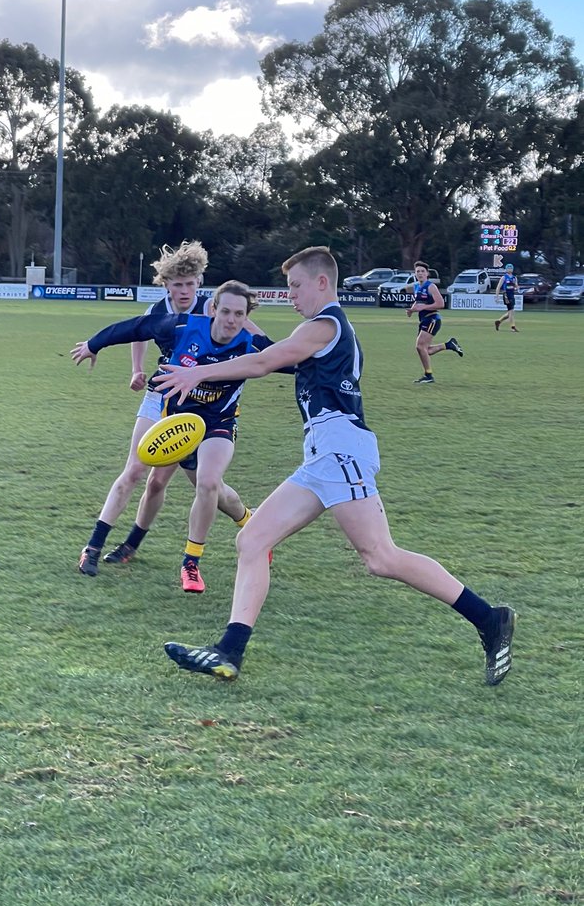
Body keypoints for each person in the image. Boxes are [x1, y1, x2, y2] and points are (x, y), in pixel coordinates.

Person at [157, 246, 515, 686]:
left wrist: (198, 374)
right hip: (325, 454)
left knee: (380, 557)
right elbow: (271, 351)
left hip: (339, 448)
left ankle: (490, 618)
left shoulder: (325, 324)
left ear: (322, 283)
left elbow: (266, 361)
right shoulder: (320, 330)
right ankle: (228, 652)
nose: (290, 295)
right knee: (253, 540)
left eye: (295, 286)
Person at [72, 280, 280, 592]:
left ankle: (192, 562)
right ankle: (249, 522)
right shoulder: (180, 327)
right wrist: (94, 344)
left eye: (239, 313)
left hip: (218, 423)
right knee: (172, 481)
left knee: (209, 484)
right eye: (226, 311)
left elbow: (292, 360)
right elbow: (135, 328)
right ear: (213, 309)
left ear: (247, 316)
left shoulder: (252, 343)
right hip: (178, 422)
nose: (232, 320)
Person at [70, 241, 237, 582]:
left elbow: (252, 343)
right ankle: (93, 546)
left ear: (200, 282)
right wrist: (136, 368)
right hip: (160, 395)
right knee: (134, 470)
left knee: (181, 483)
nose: (185, 291)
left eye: (191, 284)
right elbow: (137, 332)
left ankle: (249, 522)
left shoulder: (213, 310)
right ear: (166, 285)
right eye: (177, 285)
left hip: (204, 410)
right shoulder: (159, 311)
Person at [406, 261, 463, 383]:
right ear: (415, 274)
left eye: (422, 271)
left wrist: (423, 308)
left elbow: (441, 304)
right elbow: (418, 301)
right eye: (418, 271)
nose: (420, 273)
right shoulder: (417, 286)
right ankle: (448, 345)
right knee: (425, 350)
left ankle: (429, 376)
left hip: (432, 319)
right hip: (424, 320)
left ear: (427, 274)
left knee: (420, 346)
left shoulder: (431, 286)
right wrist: (412, 309)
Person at [494, 263, 520, 332]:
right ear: (506, 269)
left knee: (510, 313)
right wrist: (497, 297)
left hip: (512, 295)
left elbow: (516, 286)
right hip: (506, 295)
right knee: (511, 311)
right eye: (508, 268)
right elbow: (498, 287)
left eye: (511, 268)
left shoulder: (514, 278)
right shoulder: (504, 277)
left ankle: (499, 321)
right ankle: (513, 327)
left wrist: (517, 287)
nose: (510, 269)